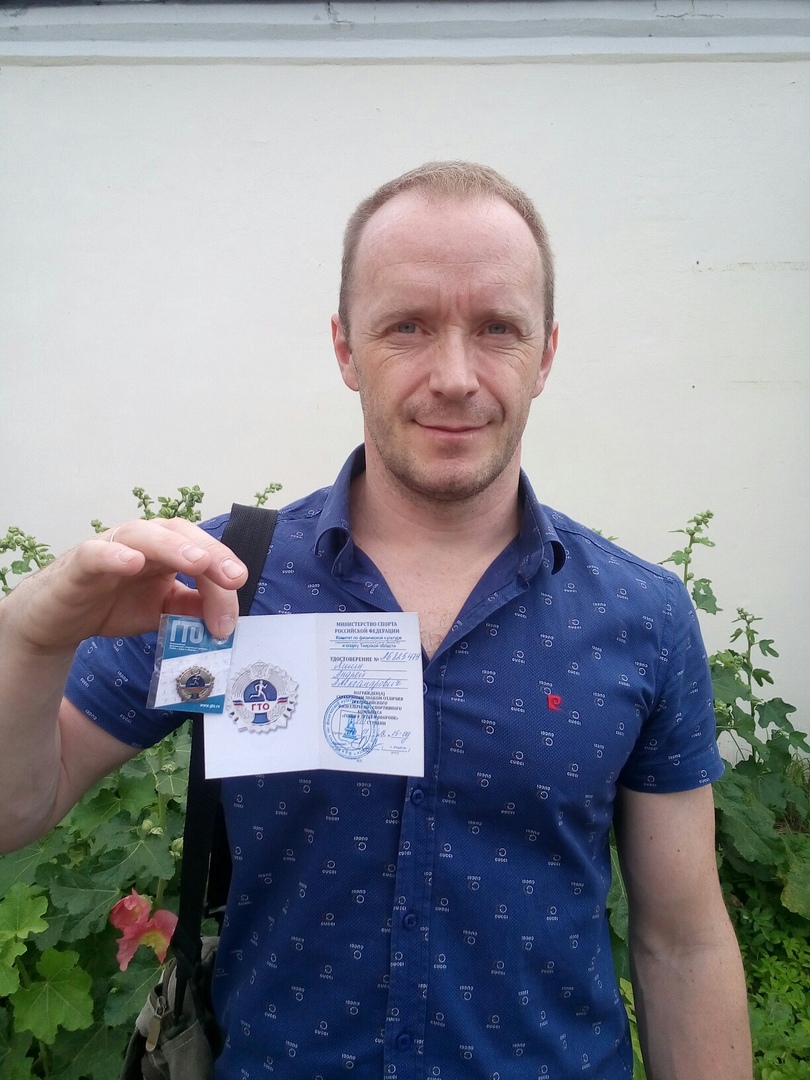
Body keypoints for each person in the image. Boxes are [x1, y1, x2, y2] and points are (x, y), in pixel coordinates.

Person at [0, 162, 752, 1079]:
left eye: (498, 328)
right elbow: (16, 809)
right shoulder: (218, 580)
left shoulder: (641, 616)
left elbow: (682, 943)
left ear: (546, 354)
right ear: (346, 349)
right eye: (407, 326)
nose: (455, 377)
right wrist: (30, 638)